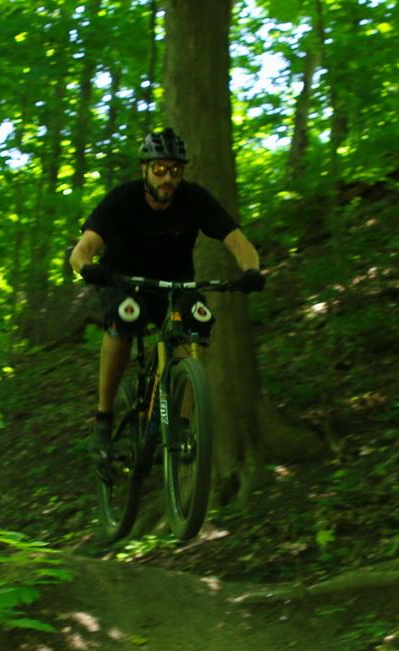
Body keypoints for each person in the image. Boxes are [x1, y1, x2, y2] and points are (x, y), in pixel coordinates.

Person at [68, 127, 265, 459]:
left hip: (174, 286)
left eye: (175, 170)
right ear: (144, 170)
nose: (168, 178)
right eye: (159, 169)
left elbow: (237, 241)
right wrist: (88, 268)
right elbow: (81, 250)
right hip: (124, 284)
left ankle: (184, 422)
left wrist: (252, 271)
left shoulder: (194, 199)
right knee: (124, 317)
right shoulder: (122, 199)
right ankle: (103, 418)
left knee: (198, 322)